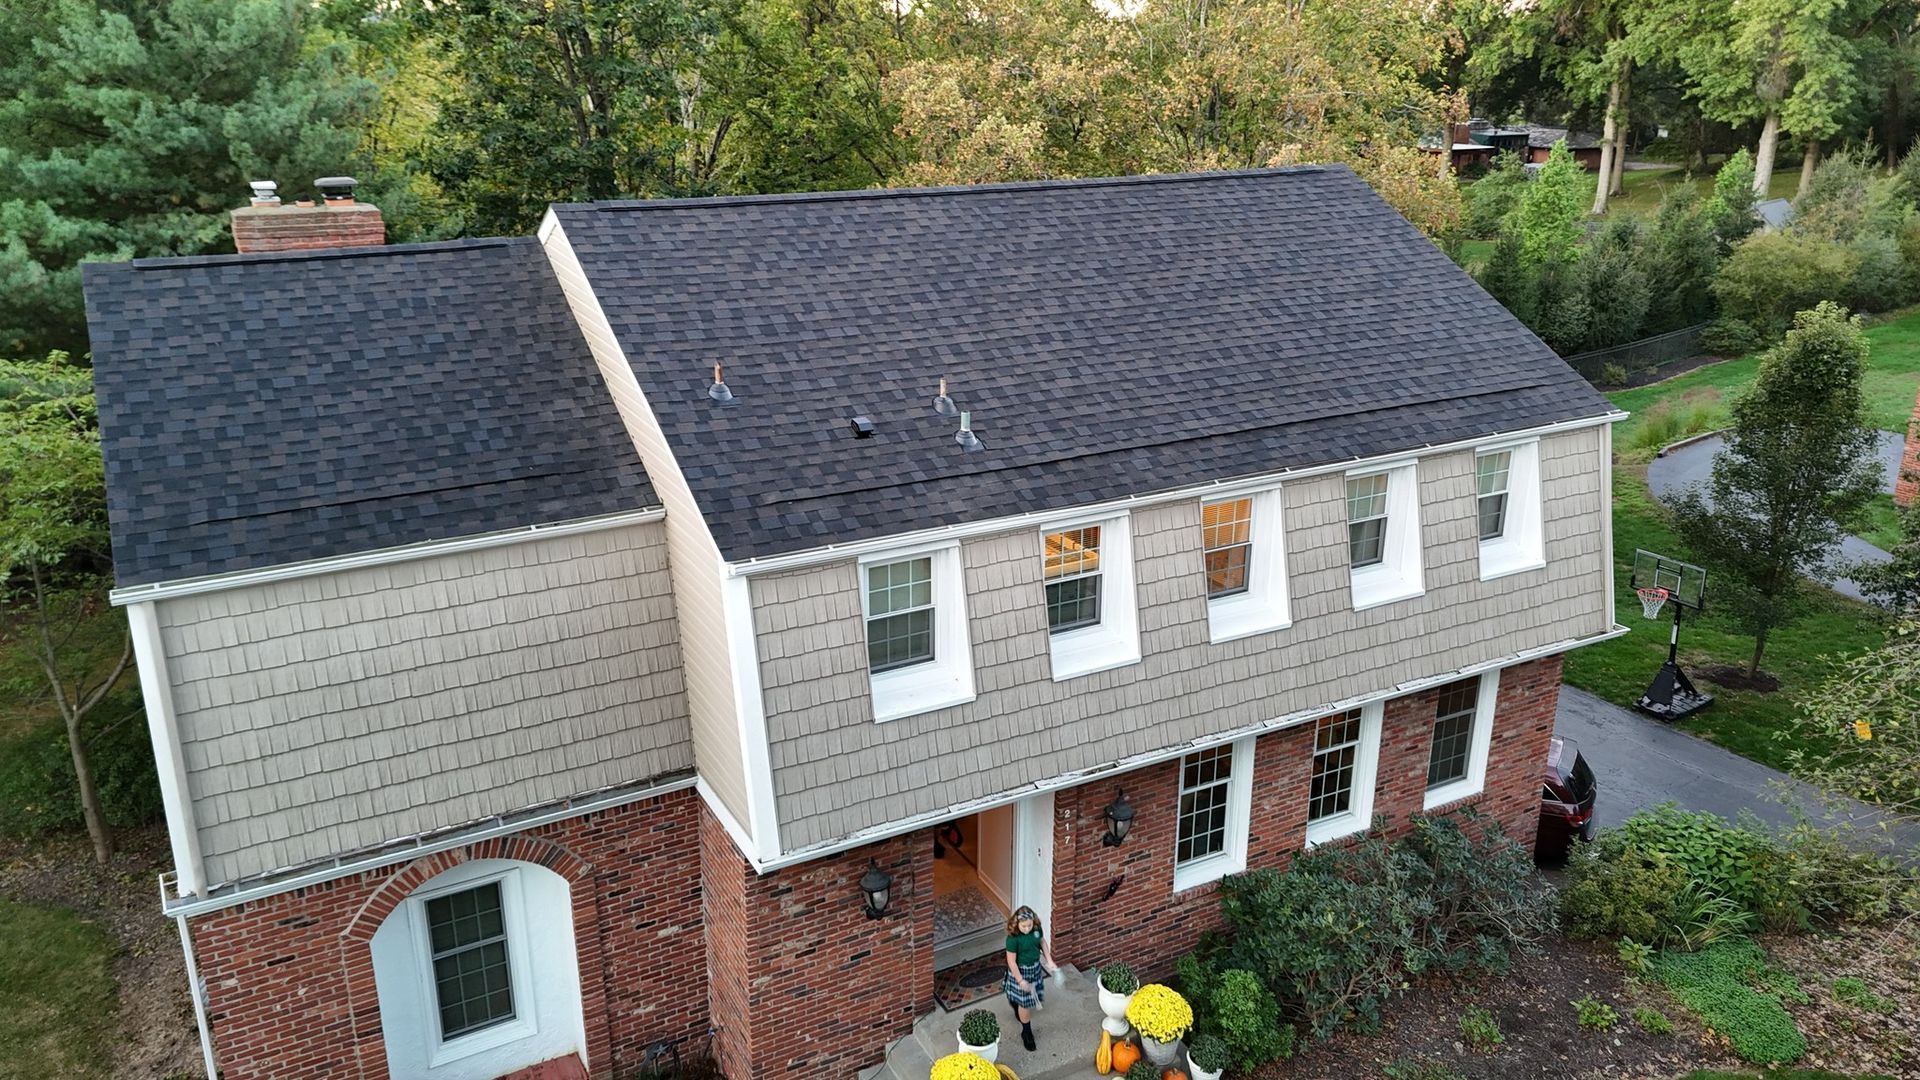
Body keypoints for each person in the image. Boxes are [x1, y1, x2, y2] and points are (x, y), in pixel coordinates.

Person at [1002, 905, 1058, 1052]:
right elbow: (1011, 962)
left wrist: (1049, 960)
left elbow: (1042, 942)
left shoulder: (1036, 930)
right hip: (1020, 971)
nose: (1027, 928)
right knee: (1025, 1004)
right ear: (1017, 924)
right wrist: (1020, 980)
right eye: (1024, 926)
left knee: (1026, 1001)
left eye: (1029, 925)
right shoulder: (1013, 939)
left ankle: (1015, 1001)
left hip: (1035, 968)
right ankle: (1026, 1032)